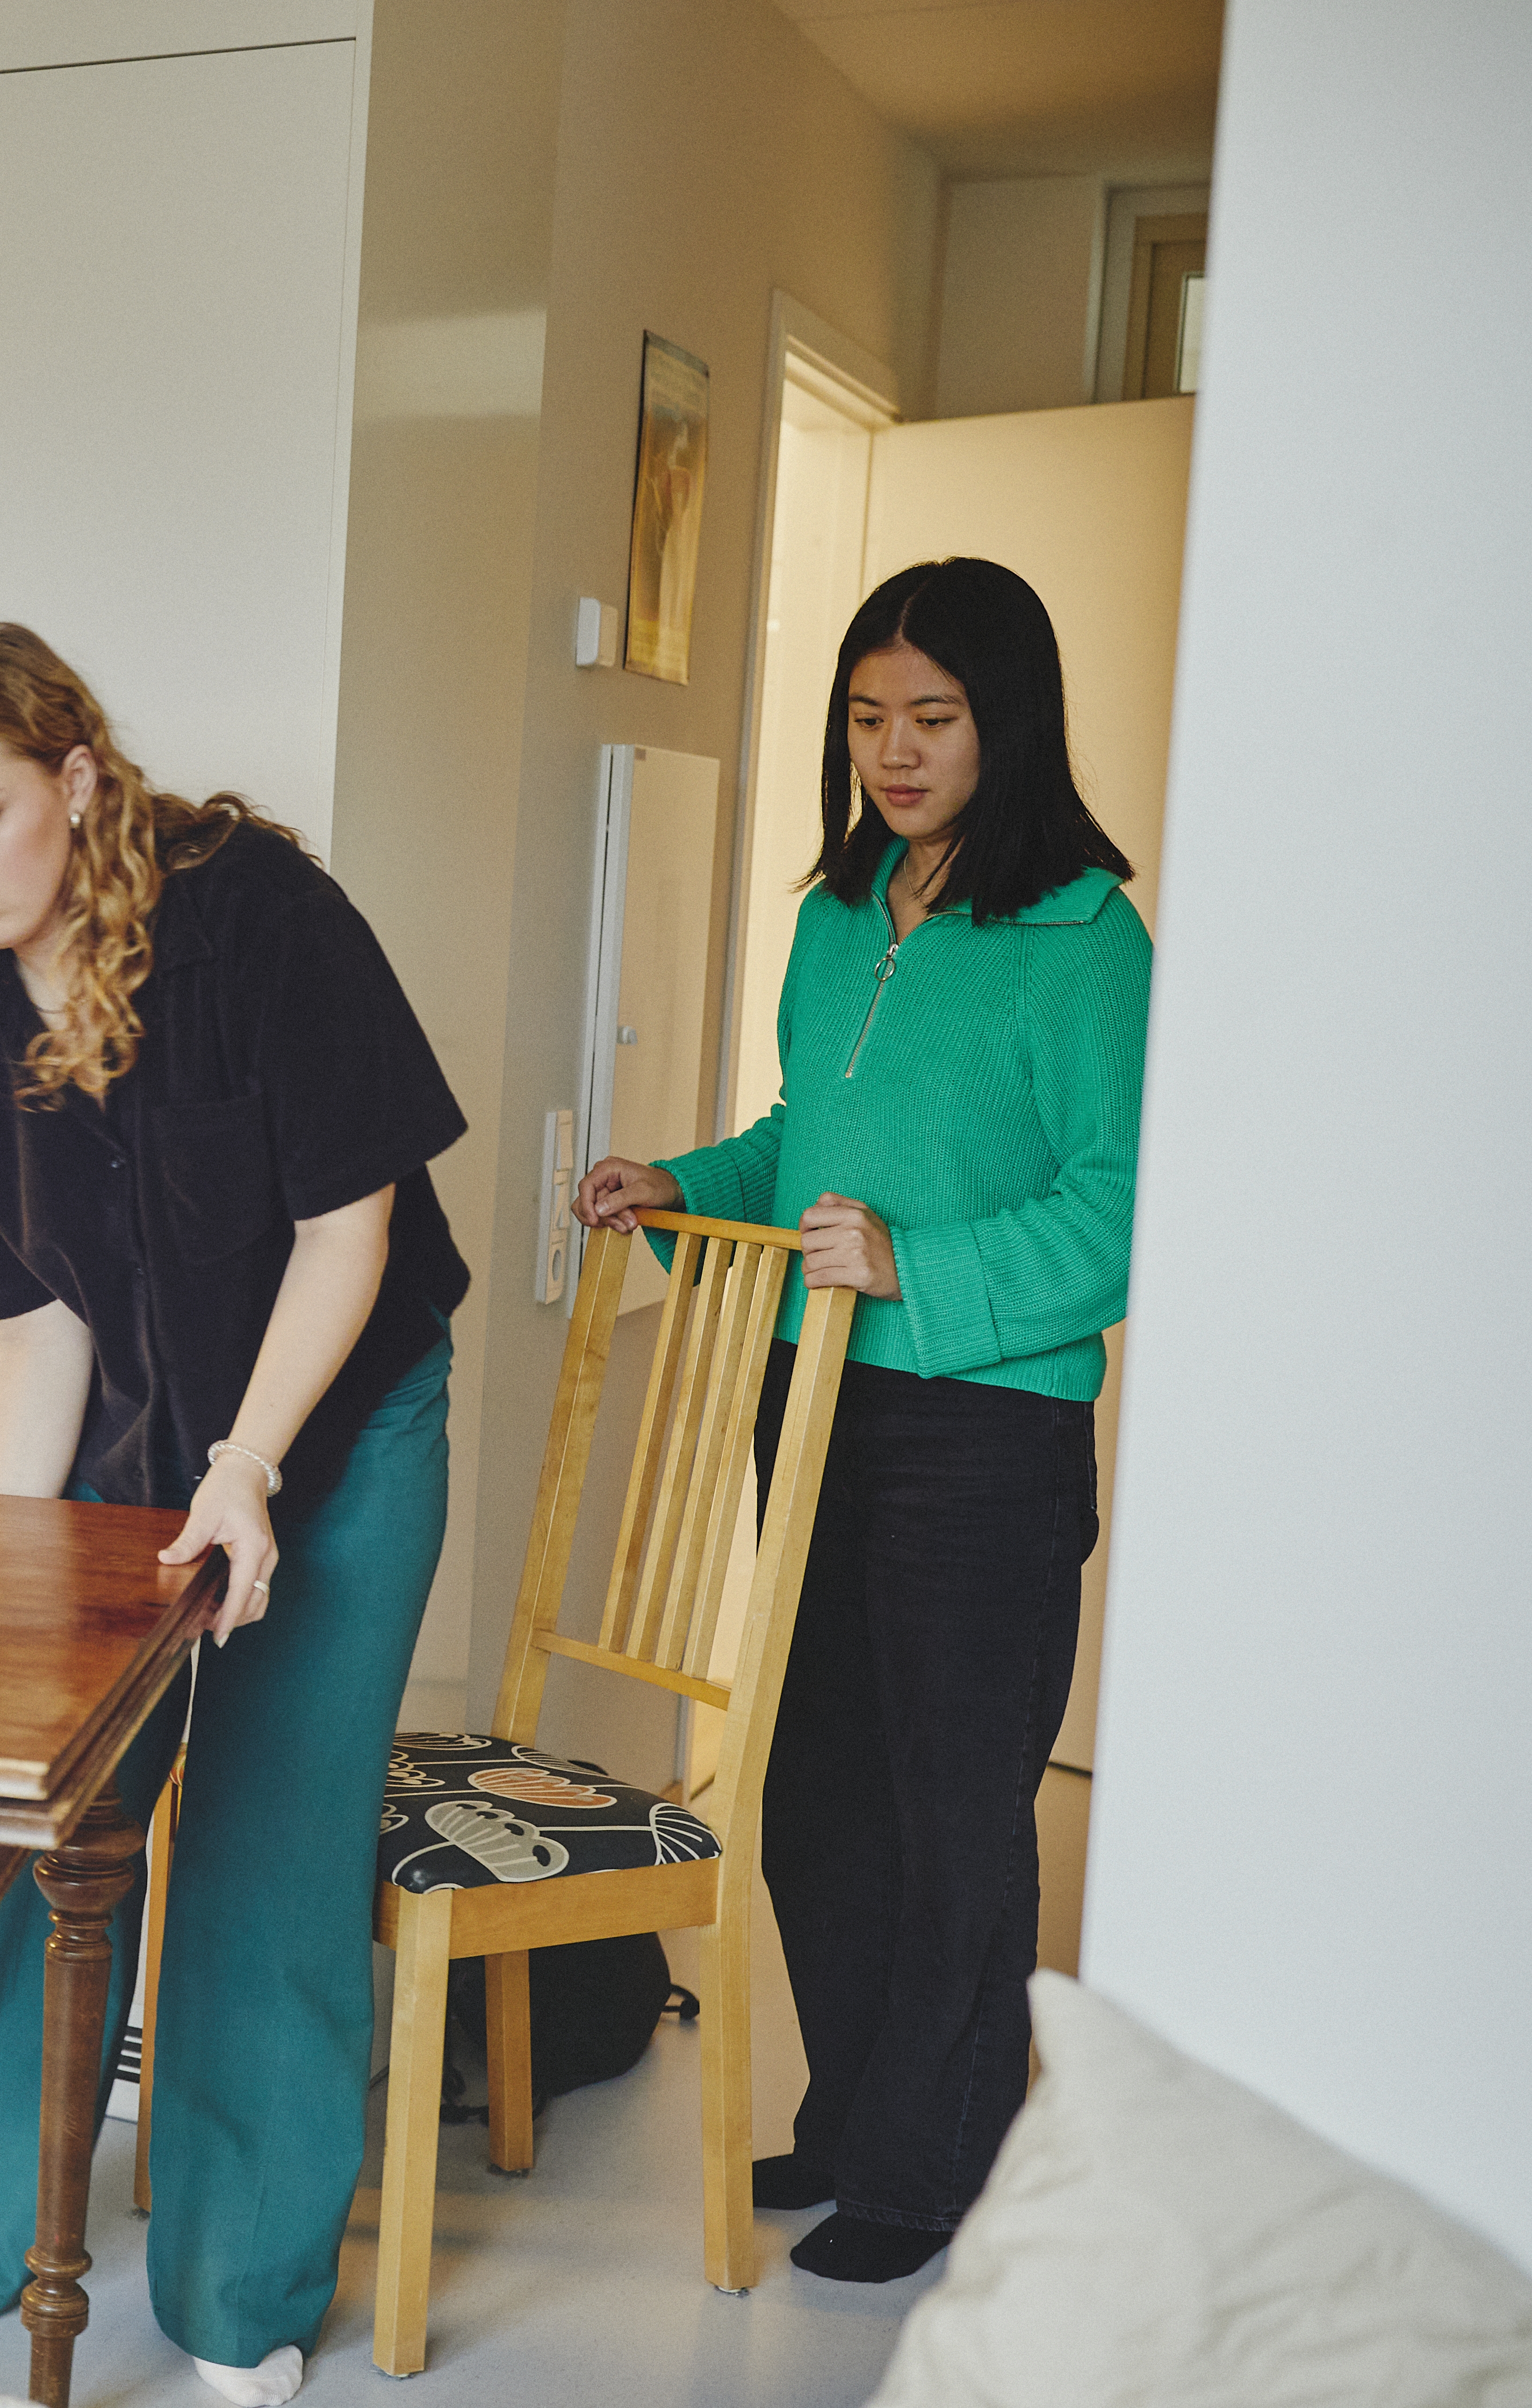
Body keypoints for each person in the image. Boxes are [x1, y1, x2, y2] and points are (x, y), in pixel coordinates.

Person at [0, 624, 469, 2405]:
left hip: (335, 1434)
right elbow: (38, 1324)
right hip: (131, 1436)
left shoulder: (259, 919)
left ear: (79, 782)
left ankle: (240, 2306)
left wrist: (250, 1469)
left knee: (268, 1850)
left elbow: (358, 1231)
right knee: (43, 1808)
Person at [576, 555, 1149, 2285]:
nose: (894, 753)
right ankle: (855, 2119)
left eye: (935, 718)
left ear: (1010, 722)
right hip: (810, 1401)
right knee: (818, 1787)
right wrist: (679, 1182)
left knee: (956, 1805)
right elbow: (796, 1149)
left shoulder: (1088, 942)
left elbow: (1119, 1217)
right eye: (867, 718)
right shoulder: (838, 916)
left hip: (984, 1438)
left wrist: (916, 1265)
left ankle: (931, 2171)